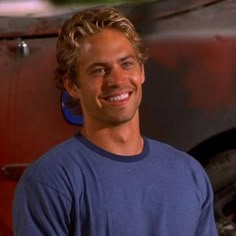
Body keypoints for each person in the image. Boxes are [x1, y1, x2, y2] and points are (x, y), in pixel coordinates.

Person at [13, 6, 217, 236]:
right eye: (99, 70)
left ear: (141, 71)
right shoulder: (50, 182)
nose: (117, 80)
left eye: (127, 64)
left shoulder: (189, 173)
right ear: (72, 85)